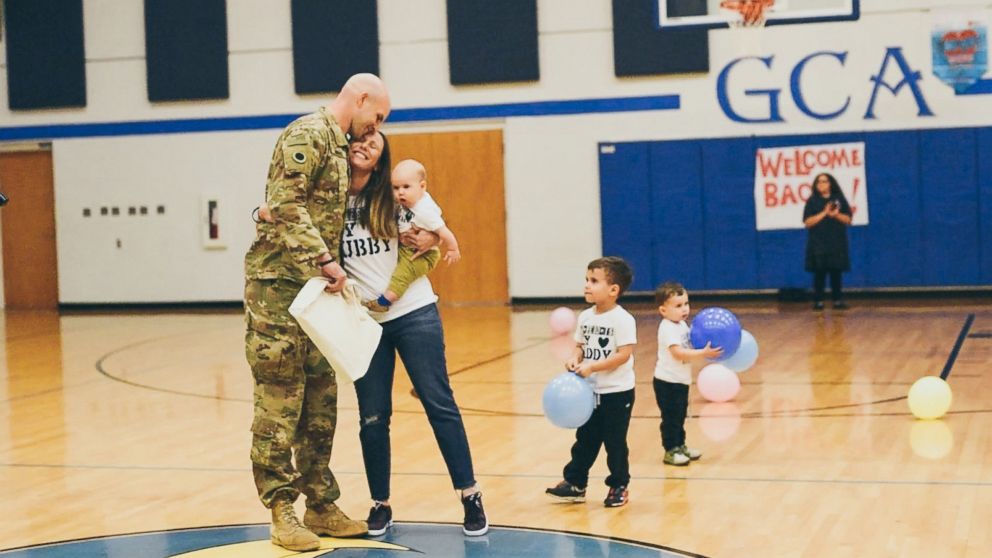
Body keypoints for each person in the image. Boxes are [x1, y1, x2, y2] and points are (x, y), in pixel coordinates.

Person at [243, 73, 390, 551]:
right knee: (280, 400)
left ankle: (321, 505)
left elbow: (307, 209)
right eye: (378, 116)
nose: (375, 127)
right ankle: (281, 509)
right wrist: (324, 261)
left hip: (317, 293)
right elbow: (286, 204)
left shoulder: (339, 146)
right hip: (280, 291)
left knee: (320, 404)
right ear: (361, 97)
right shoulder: (307, 133)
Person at [340, 140, 488, 537]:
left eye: (374, 143)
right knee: (372, 417)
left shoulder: (393, 193)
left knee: (439, 404)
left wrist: (437, 239)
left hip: (414, 313)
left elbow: (432, 228)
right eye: (359, 141)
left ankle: (470, 494)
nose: (365, 147)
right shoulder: (331, 198)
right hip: (364, 322)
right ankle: (380, 503)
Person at [545, 257, 637, 508]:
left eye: (594, 281)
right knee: (585, 439)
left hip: (617, 393)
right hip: (589, 392)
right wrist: (574, 360)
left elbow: (623, 354)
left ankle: (618, 485)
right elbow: (580, 347)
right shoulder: (586, 317)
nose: (587, 285)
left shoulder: (623, 319)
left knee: (614, 442)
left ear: (613, 290)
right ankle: (575, 483)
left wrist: (593, 367)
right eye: (586, 280)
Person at [364, 158, 461, 312]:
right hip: (406, 247)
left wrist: (452, 248)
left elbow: (443, 231)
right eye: (396, 188)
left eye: (406, 187)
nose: (400, 192)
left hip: (423, 254)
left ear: (422, 187)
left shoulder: (424, 210)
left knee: (403, 273)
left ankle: (386, 301)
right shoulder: (406, 202)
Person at [653, 281, 723, 466]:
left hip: (681, 380)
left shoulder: (682, 325)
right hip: (667, 382)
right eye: (678, 306)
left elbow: (691, 344)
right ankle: (670, 450)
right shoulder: (667, 328)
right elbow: (678, 353)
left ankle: (680, 445)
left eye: (686, 304)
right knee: (671, 418)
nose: (684, 309)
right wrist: (703, 353)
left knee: (680, 415)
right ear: (663, 310)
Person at [802, 172, 853, 310]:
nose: (821, 184)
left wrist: (836, 215)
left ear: (831, 183)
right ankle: (818, 301)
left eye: (824, 181)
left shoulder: (839, 199)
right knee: (819, 273)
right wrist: (824, 213)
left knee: (836, 272)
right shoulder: (812, 201)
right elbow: (807, 222)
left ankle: (837, 300)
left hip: (836, 242)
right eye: (819, 182)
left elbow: (848, 219)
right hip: (819, 243)